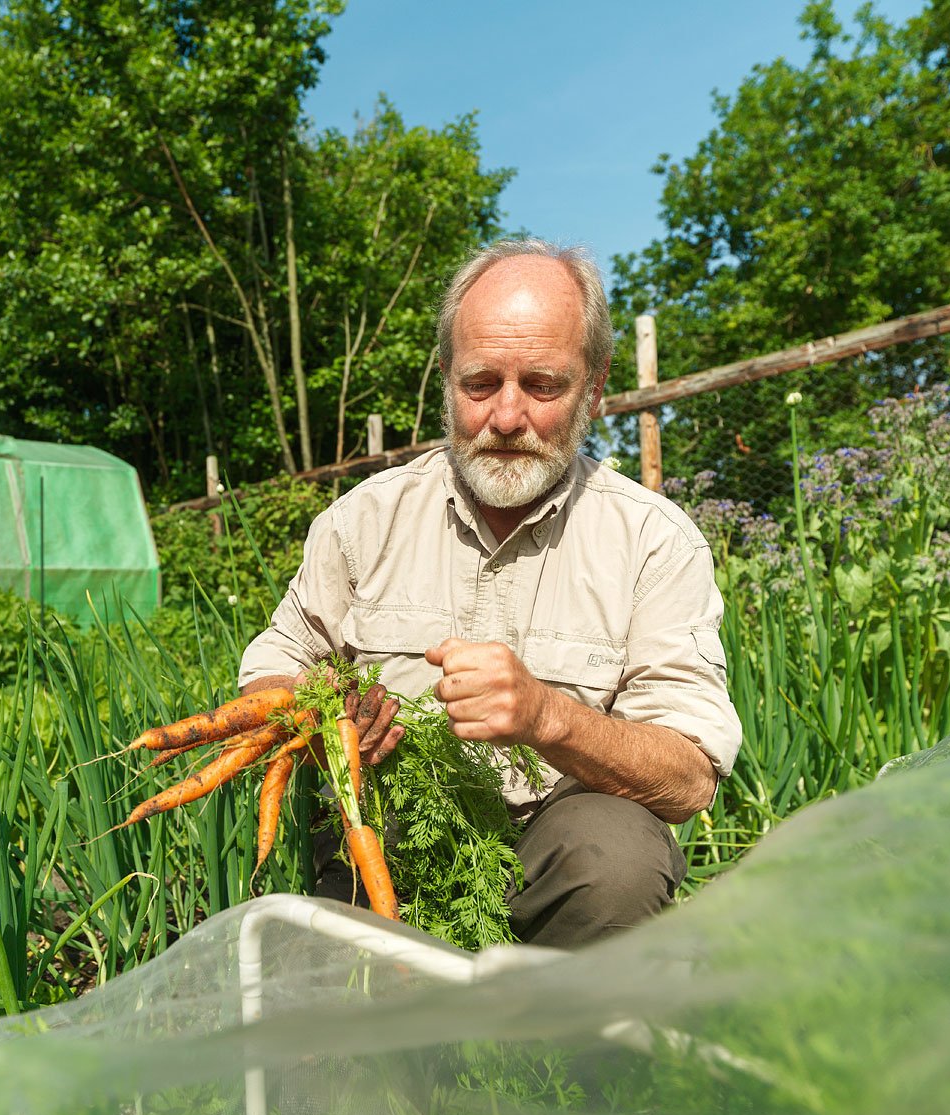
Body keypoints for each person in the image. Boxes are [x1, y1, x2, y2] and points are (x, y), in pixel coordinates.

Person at [239, 238, 742, 948]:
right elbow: (270, 667)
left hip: (564, 869)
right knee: (340, 1009)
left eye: (542, 385)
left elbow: (688, 778)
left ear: (594, 388)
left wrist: (549, 717)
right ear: (447, 378)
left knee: (617, 857)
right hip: (396, 850)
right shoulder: (362, 522)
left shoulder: (653, 540)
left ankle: (572, 1056)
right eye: (480, 384)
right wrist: (320, 715)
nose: (507, 417)